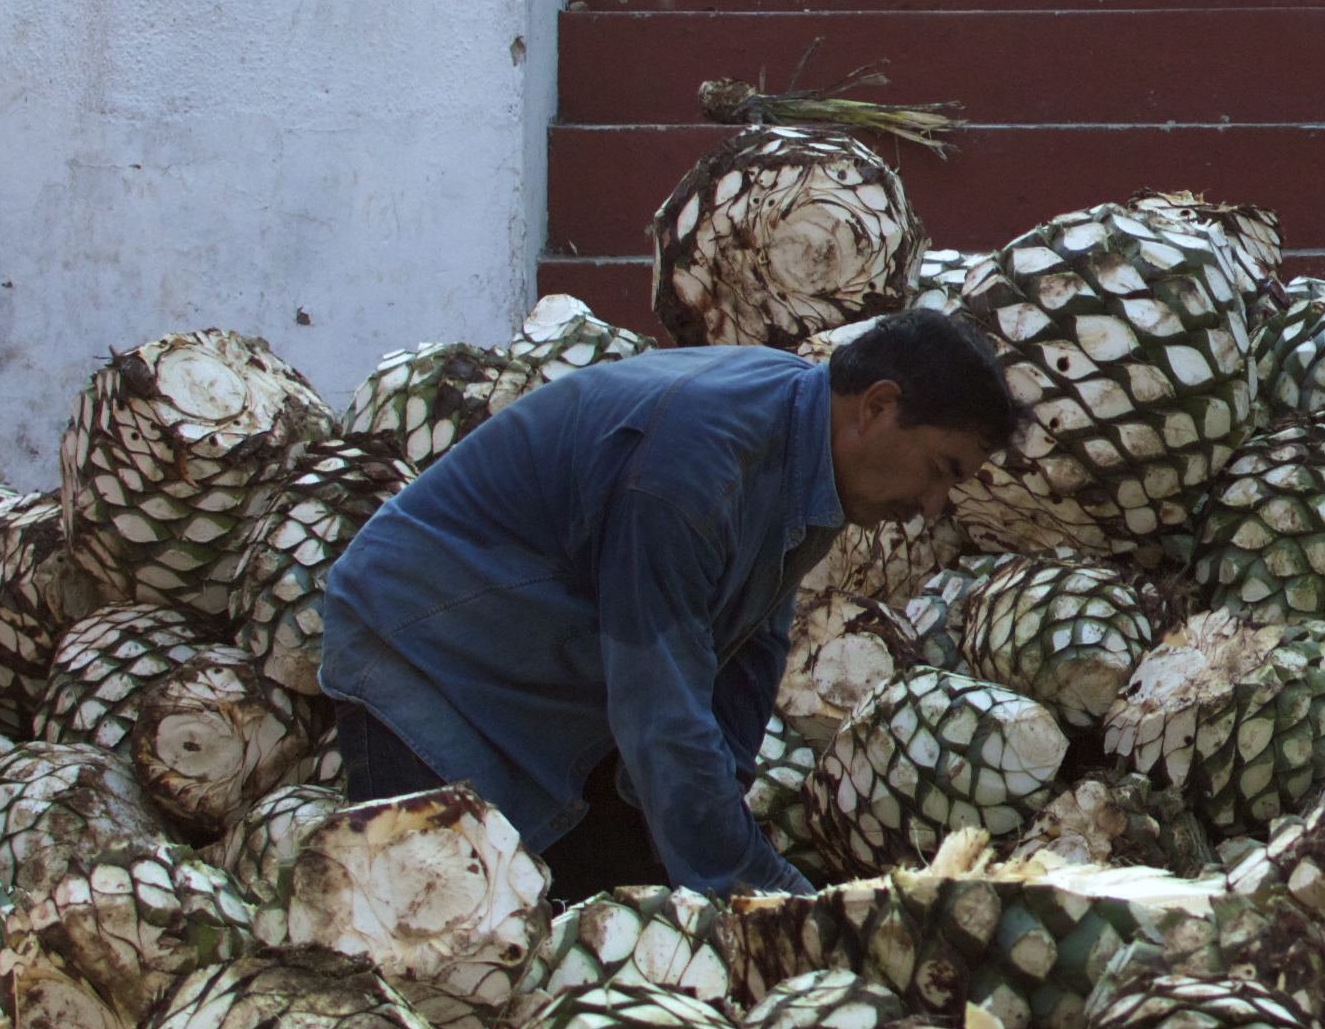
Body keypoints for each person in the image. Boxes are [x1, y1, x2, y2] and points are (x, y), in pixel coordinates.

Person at [317, 306, 1020, 895]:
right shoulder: (693, 466)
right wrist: (757, 888)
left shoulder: (810, 447)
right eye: (940, 470)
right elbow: (660, 703)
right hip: (423, 648)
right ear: (879, 406)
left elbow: (750, 647)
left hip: (539, 672)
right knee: (447, 936)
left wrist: (730, 816)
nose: (933, 505)